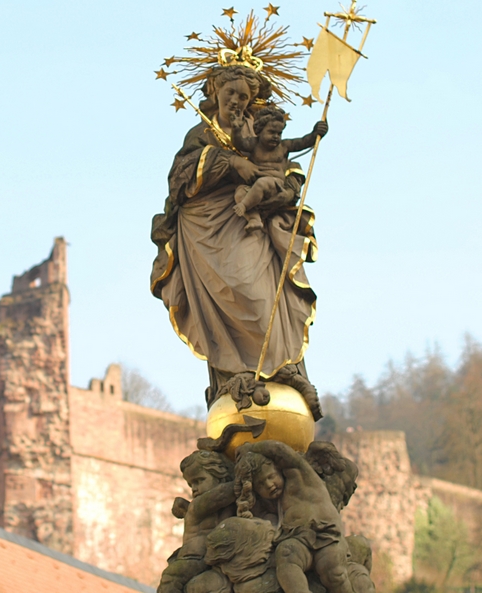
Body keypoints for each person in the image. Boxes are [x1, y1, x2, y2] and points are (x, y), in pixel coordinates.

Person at [150, 63, 319, 406]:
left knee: (261, 297)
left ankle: (281, 369)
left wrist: (285, 187)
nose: (237, 101)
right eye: (231, 93)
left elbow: (285, 165)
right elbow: (179, 179)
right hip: (206, 233)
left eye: (244, 96)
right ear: (215, 92)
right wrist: (229, 163)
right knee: (225, 300)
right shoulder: (202, 134)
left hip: (251, 230)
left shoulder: (259, 134)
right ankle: (235, 376)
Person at [234, 442, 354, 593]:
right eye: (261, 484)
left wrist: (250, 448)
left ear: (279, 469)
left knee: (333, 572)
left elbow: (279, 449)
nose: (269, 484)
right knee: (286, 555)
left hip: (325, 533)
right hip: (298, 538)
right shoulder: (274, 504)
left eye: (271, 476)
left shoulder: (299, 474)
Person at [231, 106, 328, 231]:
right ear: (259, 131)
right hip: (254, 186)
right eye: (271, 132)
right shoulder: (254, 144)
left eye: (279, 133)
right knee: (240, 193)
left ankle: (244, 206)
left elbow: (303, 142)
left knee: (262, 183)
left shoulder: (284, 146)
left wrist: (315, 133)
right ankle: (254, 219)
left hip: (275, 186)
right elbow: (239, 143)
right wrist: (236, 129)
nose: (276, 136)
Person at [158, 450, 237, 593]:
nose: (194, 488)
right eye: (191, 484)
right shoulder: (198, 505)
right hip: (194, 557)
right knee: (171, 578)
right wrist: (245, 478)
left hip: (217, 557)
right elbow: (220, 495)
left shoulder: (226, 506)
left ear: (219, 476)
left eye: (199, 480)